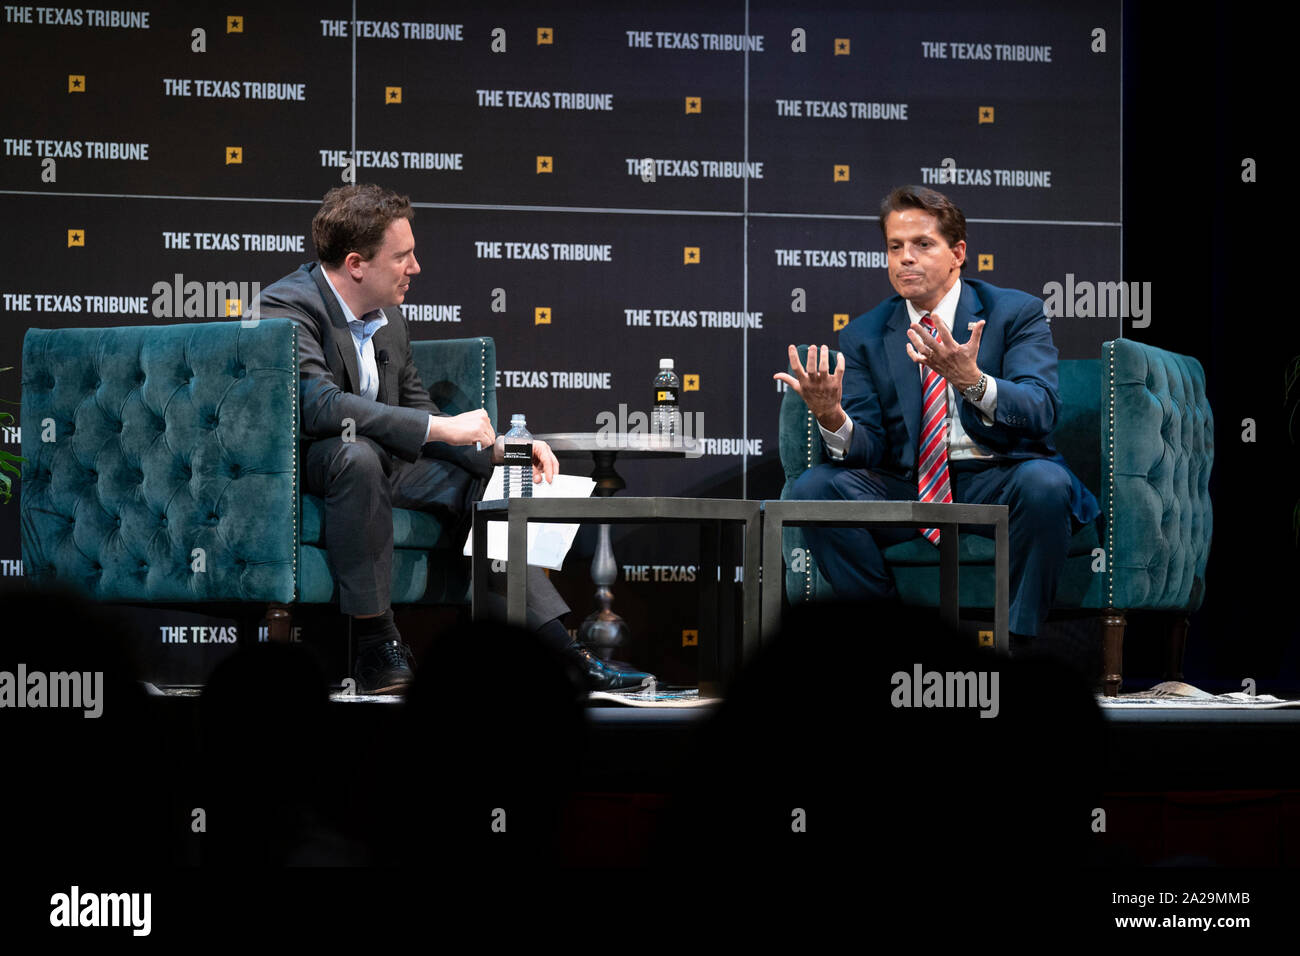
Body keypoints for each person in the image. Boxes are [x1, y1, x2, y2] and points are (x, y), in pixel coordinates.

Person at [258, 184, 653, 693]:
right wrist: (440, 427)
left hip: (383, 462)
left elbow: (417, 407)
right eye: (402, 256)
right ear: (356, 263)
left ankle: (561, 653)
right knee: (355, 456)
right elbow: (320, 406)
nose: (415, 267)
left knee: (483, 484)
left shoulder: (389, 318)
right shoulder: (287, 306)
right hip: (308, 466)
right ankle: (377, 644)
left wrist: (498, 450)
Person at [776, 185, 1100, 646]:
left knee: (1045, 483)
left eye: (922, 244)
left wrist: (973, 381)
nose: (905, 258)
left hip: (998, 475)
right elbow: (870, 448)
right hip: (909, 482)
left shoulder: (1014, 313)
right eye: (895, 247)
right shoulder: (865, 334)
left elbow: (1040, 409)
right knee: (813, 489)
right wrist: (832, 418)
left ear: (958, 253)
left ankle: (1019, 644)